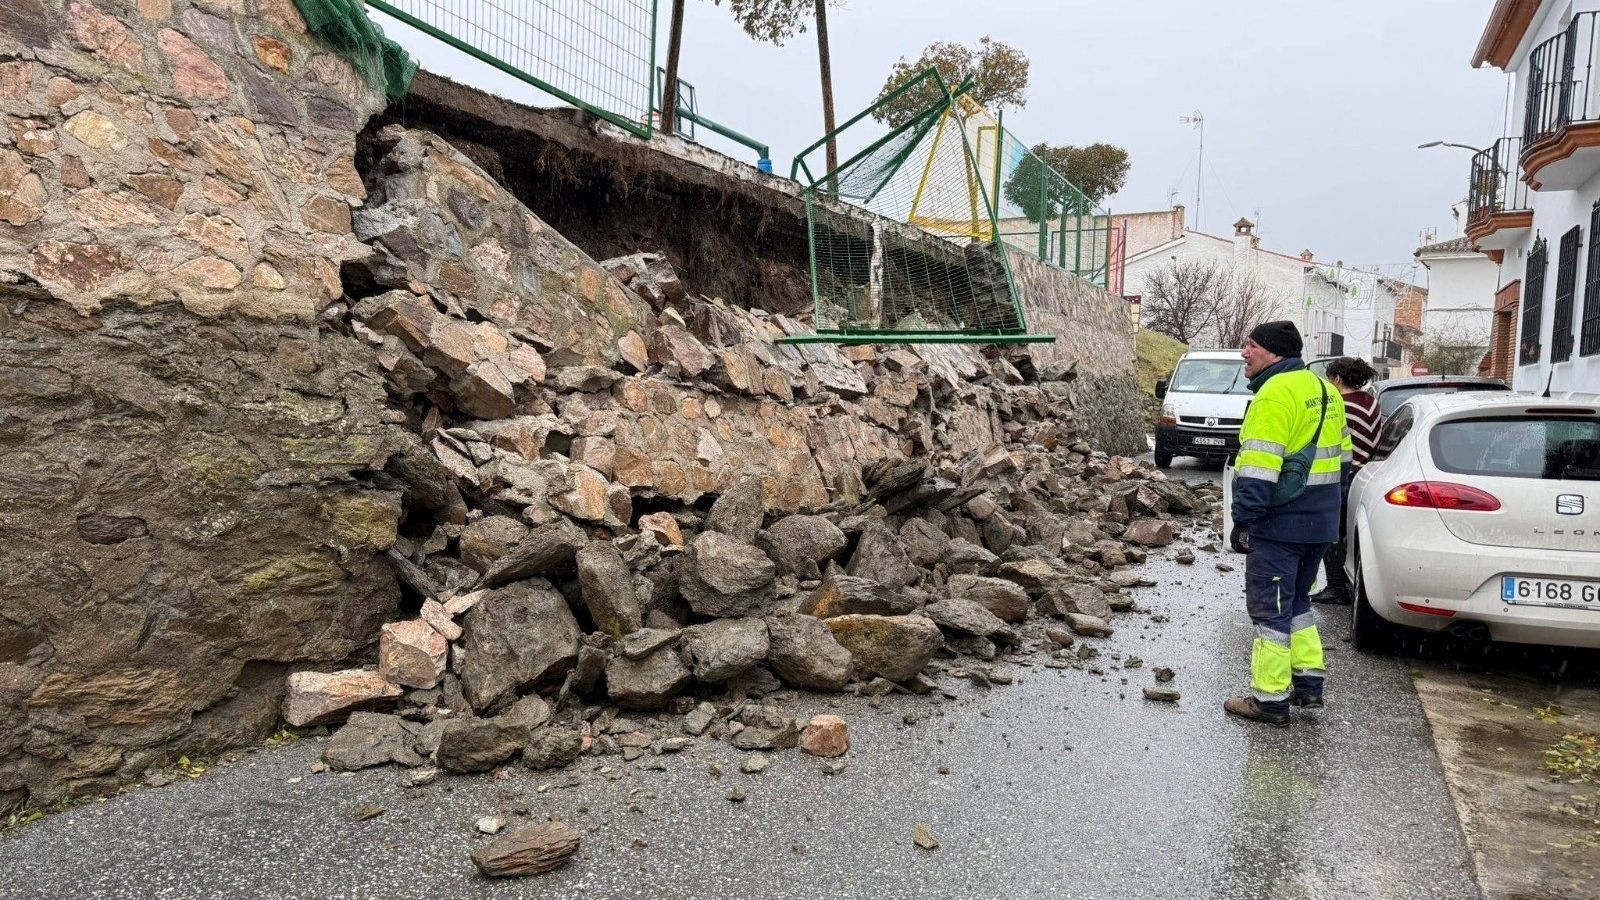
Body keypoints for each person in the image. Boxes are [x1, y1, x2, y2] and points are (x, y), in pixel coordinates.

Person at [1225, 321, 1351, 727]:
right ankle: (1309, 682)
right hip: (1321, 522)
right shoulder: (1325, 391)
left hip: (1282, 525)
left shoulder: (1274, 395)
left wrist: (1244, 521)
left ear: (1274, 353)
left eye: (1251, 345)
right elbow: (1344, 461)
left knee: (1270, 612)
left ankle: (1269, 699)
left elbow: (1260, 468)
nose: (1244, 353)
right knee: (1297, 601)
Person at [1309, 357, 1378, 605]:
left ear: (1337, 378)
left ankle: (1336, 586)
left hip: (1347, 476)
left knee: (1332, 533)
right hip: (1365, 473)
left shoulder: (1341, 404)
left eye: (1330, 379)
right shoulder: (1370, 401)